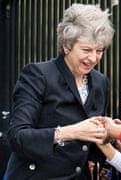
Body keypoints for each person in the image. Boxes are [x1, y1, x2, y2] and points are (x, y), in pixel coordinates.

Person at [4, 4, 114, 180]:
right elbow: (18, 137)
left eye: (99, 51)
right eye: (86, 50)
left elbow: (92, 148)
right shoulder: (38, 75)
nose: (93, 58)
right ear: (66, 46)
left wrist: (110, 132)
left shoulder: (101, 82)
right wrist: (72, 132)